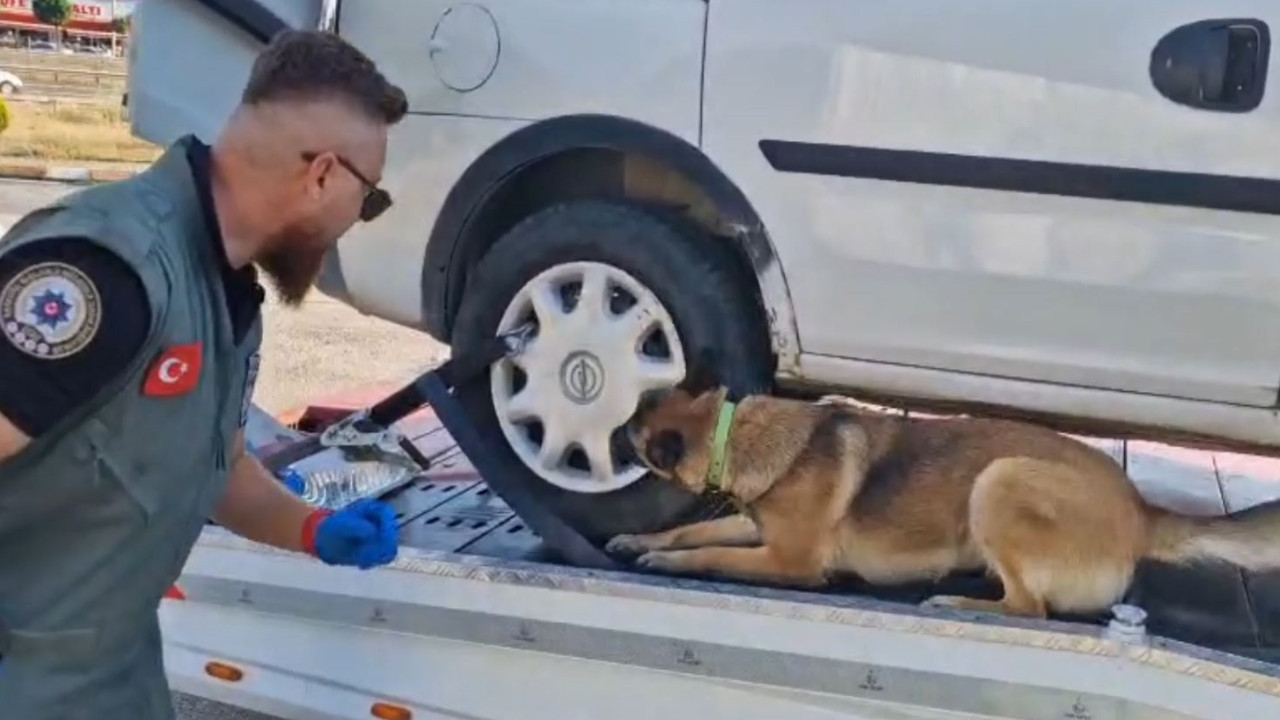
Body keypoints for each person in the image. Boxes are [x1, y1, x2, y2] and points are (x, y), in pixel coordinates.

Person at [0, 30, 408, 718]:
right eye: (368, 201)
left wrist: (312, 529)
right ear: (323, 176)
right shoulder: (107, 275)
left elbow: (212, 467)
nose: (353, 224)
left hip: (111, 679)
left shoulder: (221, 288)